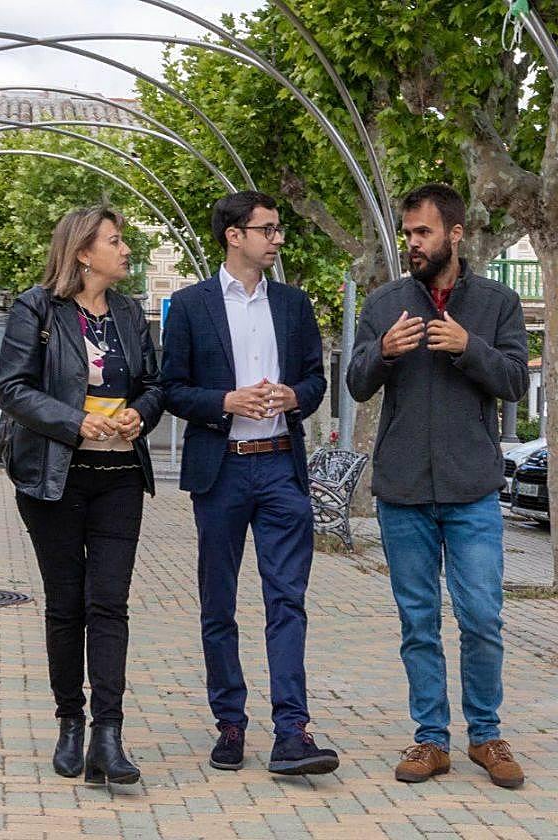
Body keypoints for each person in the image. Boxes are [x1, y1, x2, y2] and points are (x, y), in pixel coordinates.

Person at [346, 183, 529, 788]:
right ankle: (430, 739)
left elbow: (513, 384)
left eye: (423, 233)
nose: (412, 244)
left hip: (472, 487)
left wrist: (468, 346)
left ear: (454, 234)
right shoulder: (385, 303)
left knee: (481, 616)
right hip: (402, 491)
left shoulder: (498, 302)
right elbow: (355, 383)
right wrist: (384, 351)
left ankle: (486, 734)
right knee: (418, 621)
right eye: (407, 234)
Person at [161, 190, 335, 776]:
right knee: (219, 601)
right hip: (222, 469)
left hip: (282, 466)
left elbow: (315, 379)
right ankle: (229, 723)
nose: (277, 238)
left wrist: (295, 397)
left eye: (278, 229)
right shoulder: (189, 306)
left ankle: (293, 731)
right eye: (268, 229)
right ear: (235, 235)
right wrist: (224, 401)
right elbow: (172, 388)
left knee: (288, 599)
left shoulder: (293, 304)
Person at [0, 205, 162, 785]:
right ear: (83, 252)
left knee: (108, 603)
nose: (125, 251)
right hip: (53, 479)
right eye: (115, 241)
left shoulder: (130, 313)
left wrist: (140, 413)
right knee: (66, 604)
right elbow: (11, 389)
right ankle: (70, 720)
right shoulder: (36, 307)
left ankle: (107, 736)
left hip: (119, 478)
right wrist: (74, 422)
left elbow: (153, 384)